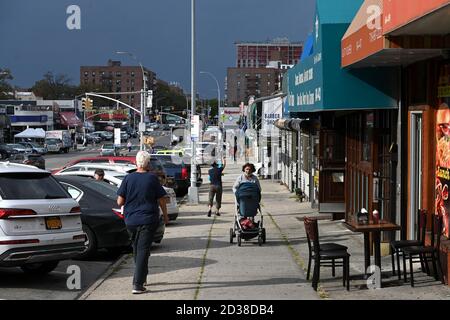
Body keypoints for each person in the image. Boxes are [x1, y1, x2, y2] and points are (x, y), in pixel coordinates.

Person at [116, 151, 169, 294]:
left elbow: (120, 201)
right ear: (148, 163)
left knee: (137, 248)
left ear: (136, 162)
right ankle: (138, 284)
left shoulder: (128, 178)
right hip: (147, 219)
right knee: (143, 250)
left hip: (131, 220)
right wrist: (165, 216)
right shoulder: (152, 179)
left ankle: (142, 276)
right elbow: (161, 199)